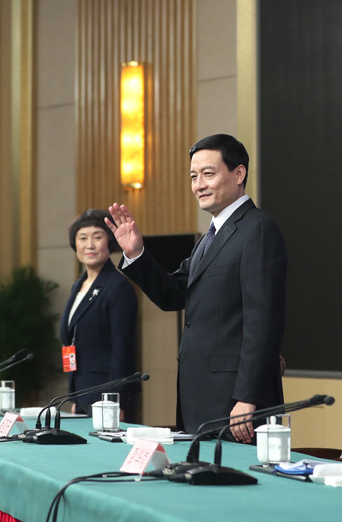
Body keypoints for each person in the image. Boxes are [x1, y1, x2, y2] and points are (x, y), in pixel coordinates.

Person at [106, 134, 287, 442]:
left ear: (239, 174)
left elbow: (264, 322)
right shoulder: (210, 238)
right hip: (200, 396)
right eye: (193, 176)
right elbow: (173, 294)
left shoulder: (257, 228)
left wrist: (248, 397)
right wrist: (136, 254)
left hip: (236, 402)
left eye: (208, 174)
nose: (199, 185)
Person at [60, 209, 138, 417]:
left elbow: (122, 350)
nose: (90, 245)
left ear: (109, 242)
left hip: (107, 398)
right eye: (82, 238)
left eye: (97, 237)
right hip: (81, 394)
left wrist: (116, 400)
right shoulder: (77, 286)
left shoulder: (118, 286)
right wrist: (74, 397)